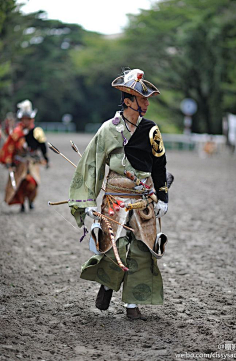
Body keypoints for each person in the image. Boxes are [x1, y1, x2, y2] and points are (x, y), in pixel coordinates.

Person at [69, 68, 171, 320]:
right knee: (112, 245)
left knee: (143, 248)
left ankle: (132, 303)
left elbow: (160, 166)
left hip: (144, 199)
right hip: (114, 198)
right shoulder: (107, 130)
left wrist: (163, 197)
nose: (146, 103)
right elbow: (92, 164)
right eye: (142, 98)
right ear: (128, 100)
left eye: (147, 98)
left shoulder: (152, 130)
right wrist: (88, 202)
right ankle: (106, 284)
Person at [0, 99, 49, 212]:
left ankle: (30, 201)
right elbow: (10, 147)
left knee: (32, 183)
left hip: (32, 162)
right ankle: (22, 203)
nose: (26, 121)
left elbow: (42, 146)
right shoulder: (17, 132)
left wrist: (46, 158)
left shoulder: (37, 131)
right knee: (20, 184)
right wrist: (9, 161)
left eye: (28, 119)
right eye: (24, 119)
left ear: (32, 119)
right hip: (19, 162)